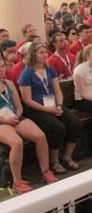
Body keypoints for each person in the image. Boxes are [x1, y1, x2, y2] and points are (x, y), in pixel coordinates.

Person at [17, 42, 82, 173]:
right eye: (41, 53)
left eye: (45, 52)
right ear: (33, 55)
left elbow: (57, 91)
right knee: (58, 128)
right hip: (36, 109)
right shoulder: (26, 73)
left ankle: (67, 156)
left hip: (53, 105)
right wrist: (48, 110)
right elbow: (27, 100)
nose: (44, 55)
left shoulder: (50, 69)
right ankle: (54, 160)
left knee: (75, 124)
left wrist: (58, 105)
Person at [0, 60, 58, 193]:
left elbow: (18, 106)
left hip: (14, 117)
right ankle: (17, 181)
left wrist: (18, 116)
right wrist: (6, 120)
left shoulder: (8, 84)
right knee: (16, 142)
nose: (1, 70)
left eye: (2, 66)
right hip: (2, 121)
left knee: (40, 136)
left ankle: (45, 171)